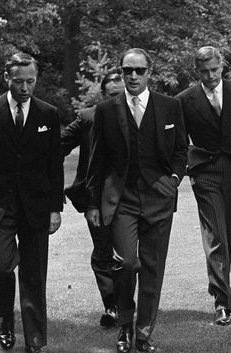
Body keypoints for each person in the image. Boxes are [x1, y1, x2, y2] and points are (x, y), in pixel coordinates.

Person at [85, 48, 188, 353]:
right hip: (122, 199)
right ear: (121, 71)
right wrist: (92, 204)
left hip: (159, 198)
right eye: (127, 70)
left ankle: (143, 335)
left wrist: (173, 180)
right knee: (127, 263)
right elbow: (97, 161)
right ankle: (125, 327)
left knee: (153, 268)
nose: (132, 76)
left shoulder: (170, 106)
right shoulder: (106, 110)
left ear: (149, 72)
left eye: (139, 70)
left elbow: (181, 149)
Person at [0, 52, 63, 353]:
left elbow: (54, 164)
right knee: (1, 268)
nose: (25, 87)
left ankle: (35, 341)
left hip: (36, 206)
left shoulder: (48, 113)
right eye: (19, 81)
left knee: (35, 275)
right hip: (0, 206)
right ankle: (5, 319)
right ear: (6, 78)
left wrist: (55, 208)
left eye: (30, 81)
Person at [61, 73, 125, 327]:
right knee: (103, 252)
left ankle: (125, 303)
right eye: (112, 96)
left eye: (122, 94)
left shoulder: (141, 116)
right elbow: (56, 148)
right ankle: (112, 306)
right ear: (103, 96)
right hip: (95, 198)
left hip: (132, 196)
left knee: (129, 256)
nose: (119, 100)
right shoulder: (88, 117)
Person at [177, 46, 231, 326]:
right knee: (216, 236)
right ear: (196, 72)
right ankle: (222, 302)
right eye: (204, 72)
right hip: (206, 173)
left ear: (222, 66)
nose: (210, 76)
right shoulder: (185, 100)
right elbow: (177, 141)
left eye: (214, 70)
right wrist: (185, 167)